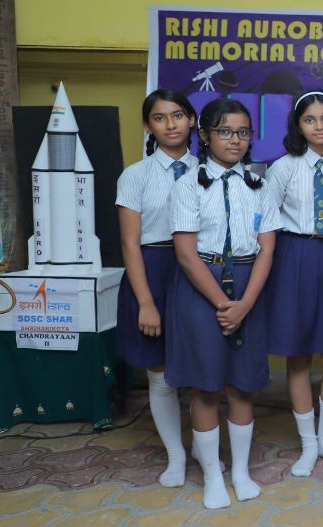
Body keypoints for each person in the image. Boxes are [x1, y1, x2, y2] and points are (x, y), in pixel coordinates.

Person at [167, 98, 282, 509]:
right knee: (206, 385)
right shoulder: (186, 185)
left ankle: (240, 471)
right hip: (203, 288)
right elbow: (184, 253)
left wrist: (245, 304)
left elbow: (267, 249)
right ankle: (213, 474)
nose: (236, 140)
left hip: (249, 285)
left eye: (243, 132)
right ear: (205, 136)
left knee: (243, 385)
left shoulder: (261, 185)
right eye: (226, 131)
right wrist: (224, 304)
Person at [265, 91, 323, 477]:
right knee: (299, 354)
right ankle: (307, 446)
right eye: (310, 119)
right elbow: (267, 223)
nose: (318, 126)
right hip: (293, 255)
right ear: (298, 125)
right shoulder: (283, 168)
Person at [115, 88, 197, 487]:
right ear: (149, 126)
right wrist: (146, 302)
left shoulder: (208, 171)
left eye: (178, 115)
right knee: (161, 372)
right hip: (152, 268)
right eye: (160, 118)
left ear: (192, 120)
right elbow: (130, 242)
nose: (171, 124)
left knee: (200, 366)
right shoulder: (135, 175)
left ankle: (203, 443)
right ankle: (176, 456)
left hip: (198, 271)